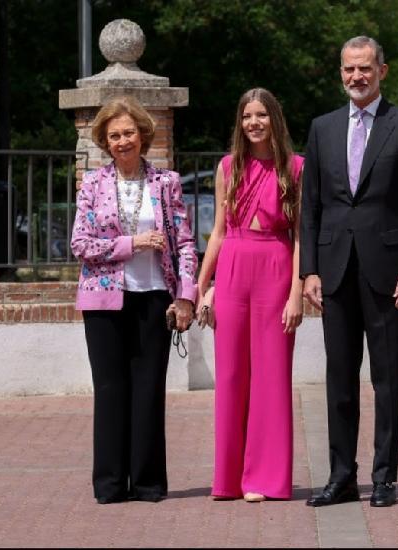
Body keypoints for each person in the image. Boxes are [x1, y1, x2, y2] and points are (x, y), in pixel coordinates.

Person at [302, 36, 398, 508]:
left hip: (388, 270)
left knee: (387, 378)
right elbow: (310, 207)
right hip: (334, 271)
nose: (358, 76)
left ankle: (384, 477)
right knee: (339, 378)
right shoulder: (322, 128)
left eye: (366, 68)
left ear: (383, 70)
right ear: (341, 72)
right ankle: (341, 476)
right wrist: (308, 271)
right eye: (350, 69)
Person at [71, 95, 198, 504]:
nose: (123, 141)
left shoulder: (167, 183)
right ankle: (109, 484)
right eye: (114, 136)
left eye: (128, 133)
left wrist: (186, 296)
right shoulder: (92, 184)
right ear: (105, 142)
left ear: (143, 135)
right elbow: (80, 244)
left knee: (148, 390)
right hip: (103, 301)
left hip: (153, 298)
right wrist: (132, 243)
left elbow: (185, 245)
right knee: (110, 390)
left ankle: (147, 483)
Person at [196, 88, 304, 502]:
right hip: (234, 269)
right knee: (231, 375)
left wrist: (296, 294)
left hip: (276, 268)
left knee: (273, 376)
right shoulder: (229, 166)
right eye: (246, 116)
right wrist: (200, 287)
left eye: (260, 115)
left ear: (274, 118)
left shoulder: (296, 168)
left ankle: (265, 479)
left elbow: (300, 238)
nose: (253, 122)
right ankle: (228, 479)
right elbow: (219, 232)